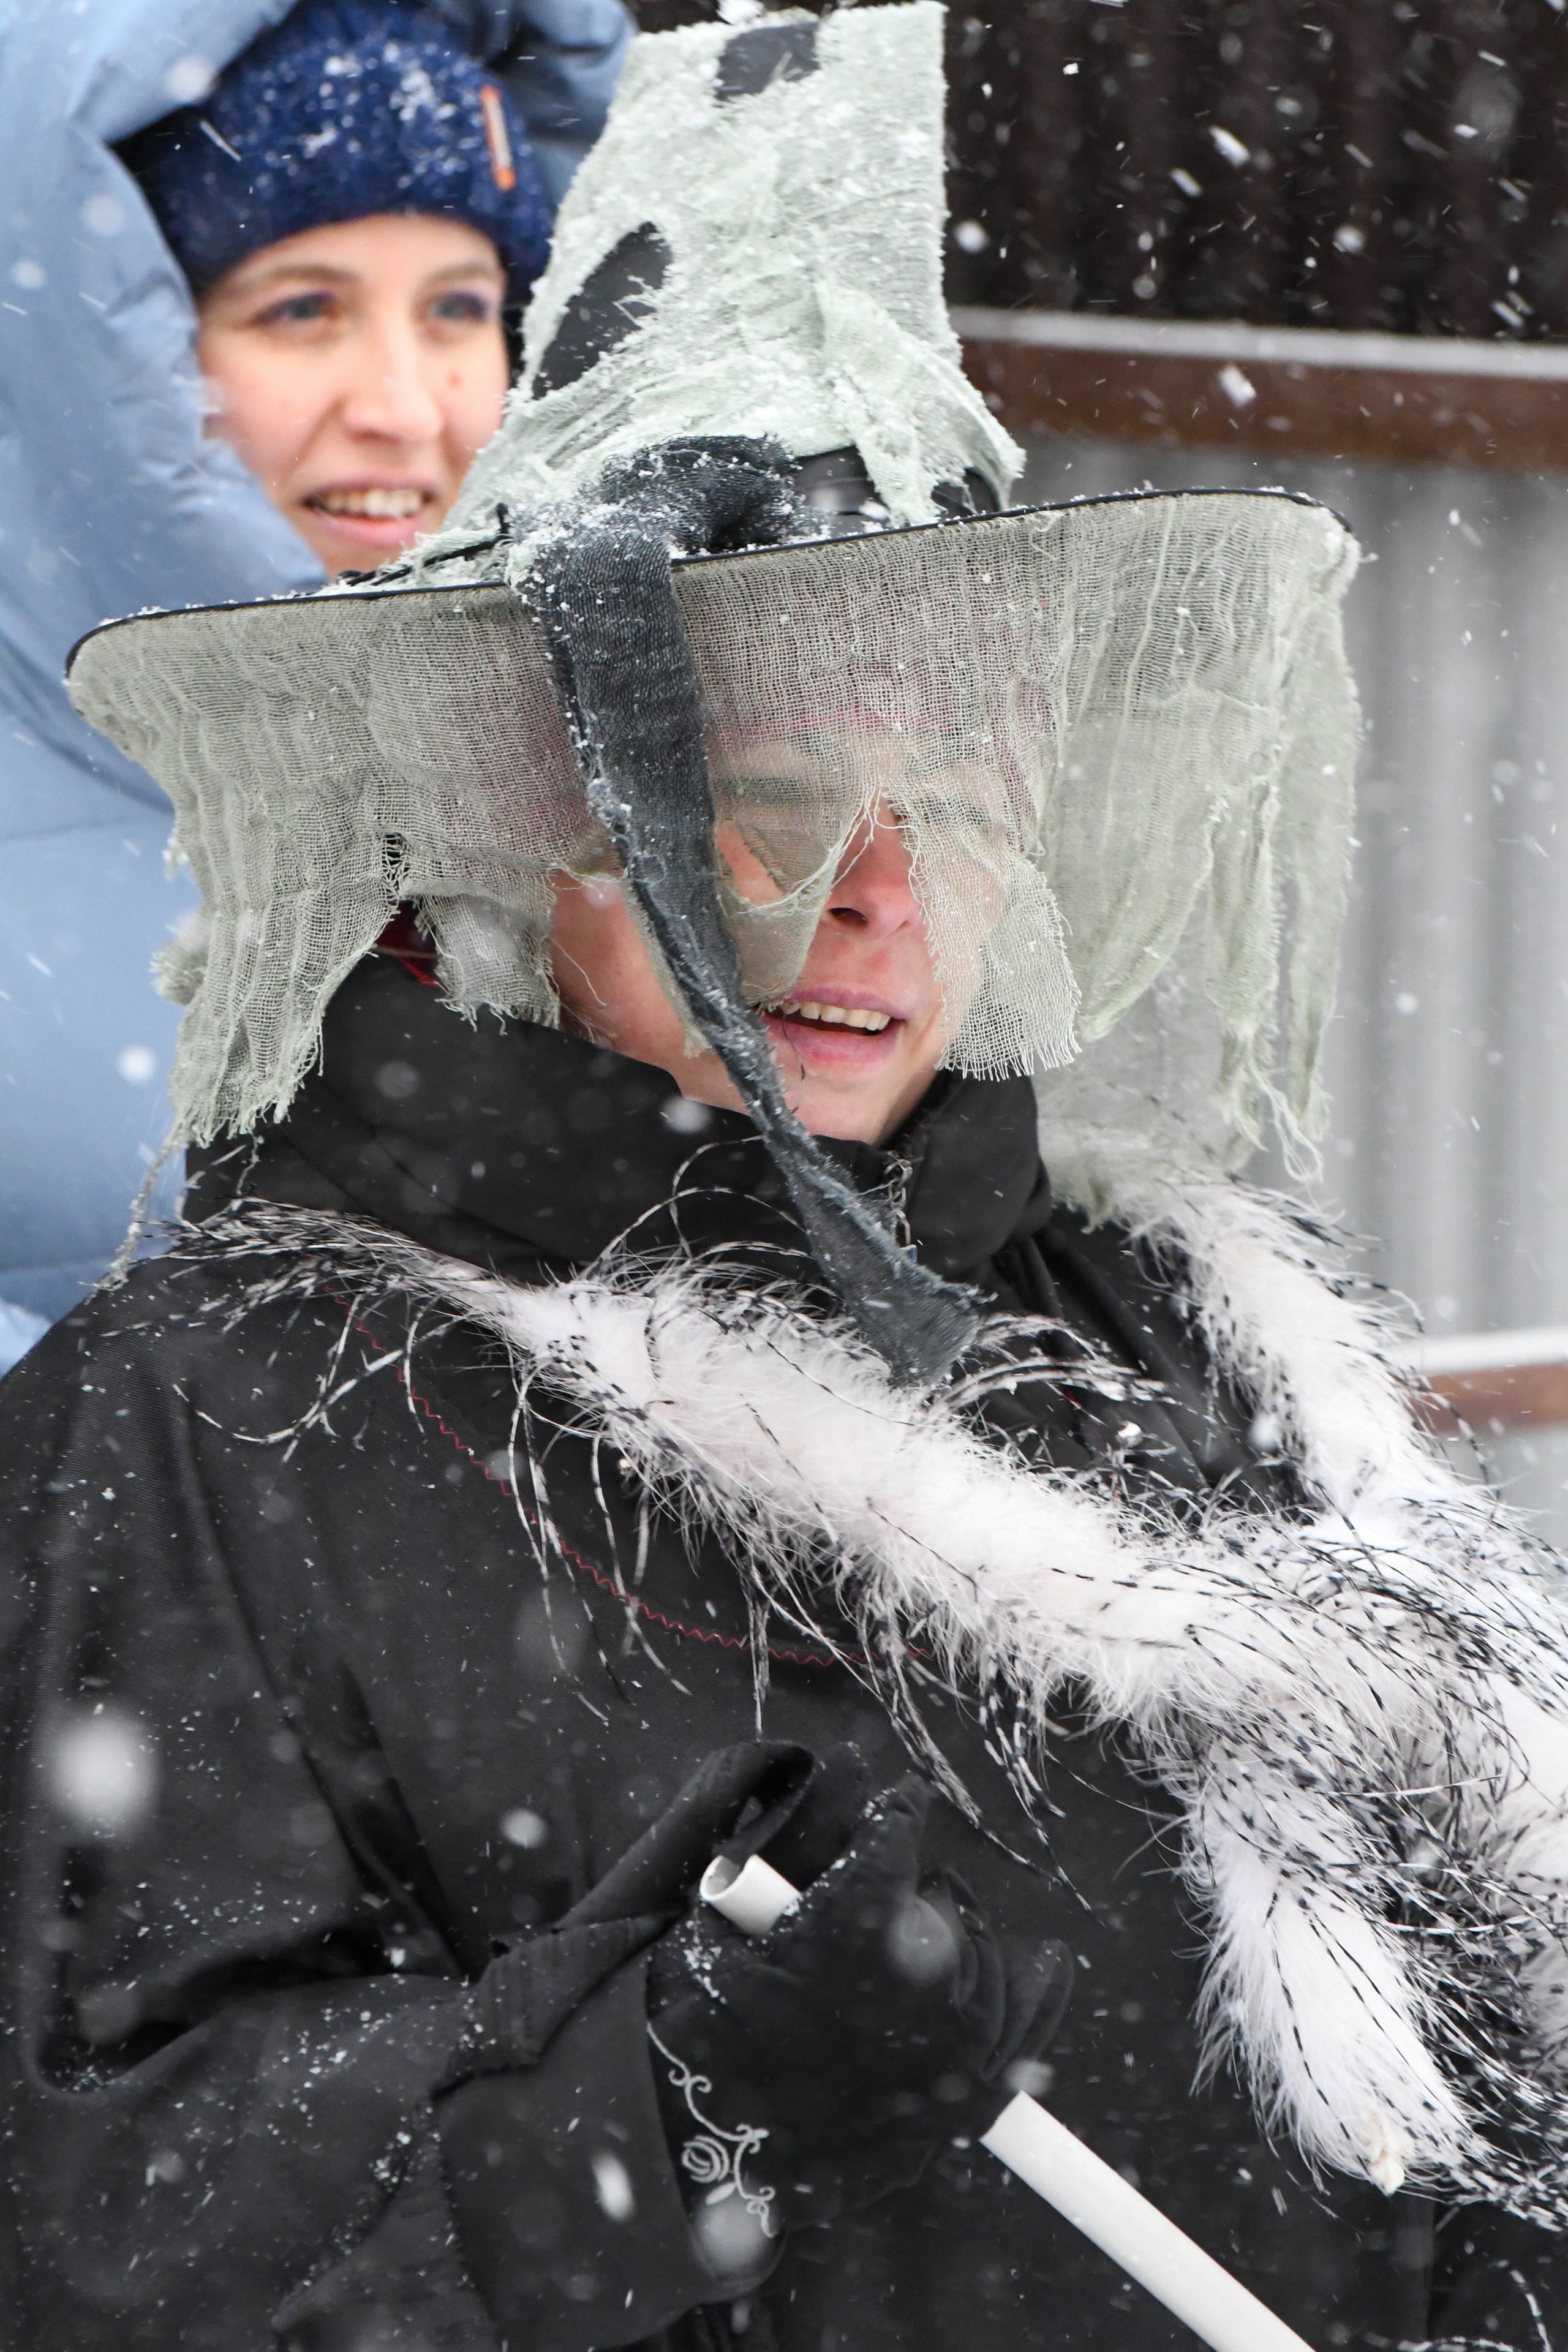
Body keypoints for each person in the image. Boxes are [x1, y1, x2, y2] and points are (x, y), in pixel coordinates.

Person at [8, 8, 1568, 2348]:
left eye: (948, 787)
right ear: (536, 812)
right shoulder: (229, 1423)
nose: (871, 895)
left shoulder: (1167, 1338)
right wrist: (680, 2109)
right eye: (752, 794)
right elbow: (120, 2232)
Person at [0, 0, 630, 1365]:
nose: (405, 406)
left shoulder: (621, 751)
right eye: (303, 312)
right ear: (105, 352)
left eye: (459, 308)